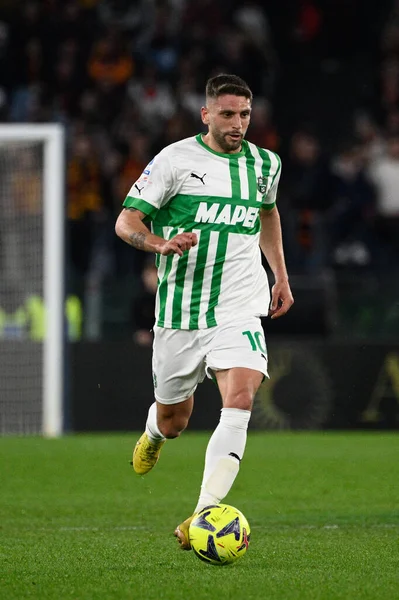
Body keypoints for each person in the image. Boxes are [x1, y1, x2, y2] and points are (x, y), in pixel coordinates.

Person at [115, 74, 294, 551]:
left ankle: (200, 517)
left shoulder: (265, 164)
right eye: (229, 115)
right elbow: (126, 220)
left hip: (239, 306)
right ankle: (154, 430)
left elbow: (268, 213)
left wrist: (280, 274)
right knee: (176, 420)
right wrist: (159, 242)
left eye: (246, 115)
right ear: (207, 114)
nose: (239, 125)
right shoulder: (175, 160)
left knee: (240, 400)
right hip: (180, 312)